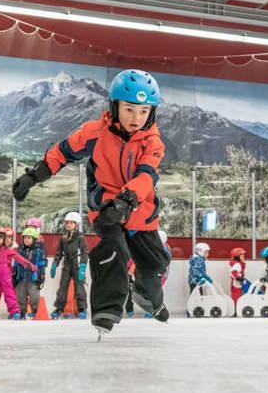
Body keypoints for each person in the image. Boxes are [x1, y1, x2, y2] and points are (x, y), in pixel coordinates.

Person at [11, 69, 170, 339]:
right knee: (114, 250)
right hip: (106, 208)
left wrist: (128, 199)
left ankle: (145, 292)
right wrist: (33, 176)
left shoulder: (153, 142)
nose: (136, 118)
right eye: (130, 109)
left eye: (144, 111)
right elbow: (61, 152)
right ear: (115, 106)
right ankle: (106, 310)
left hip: (139, 211)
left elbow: (146, 175)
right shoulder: (94, 133)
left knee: (156, 263)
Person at [0, 227, 36, 321]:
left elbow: (19, 258)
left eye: (0, 238)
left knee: (10, 294)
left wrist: (29, 265)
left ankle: (15, 312)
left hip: (6, 275)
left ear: (3, 239)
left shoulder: (7, 250)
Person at [51, 211, 89, 319]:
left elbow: (84, 252)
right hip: (67, 265)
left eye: (71, 223)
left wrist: (83, 266)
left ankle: (82, 309)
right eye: (67, 222)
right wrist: (55, 264)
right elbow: (59, 253)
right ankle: (58, 309)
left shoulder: (80, 237)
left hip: (77, 265)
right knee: (62, 288)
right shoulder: (63, 238)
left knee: (79, 288)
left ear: (76, 225)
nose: (68, 224)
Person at [13, 226, 47, 318]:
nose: (26, 240)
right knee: (20, 297)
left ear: (34, 239)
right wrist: (14, 275)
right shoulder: (20, 251)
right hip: (21, 278)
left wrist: (42, 277)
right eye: (25, 238)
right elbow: (16, 264)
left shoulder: (39, 252)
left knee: (34, 297)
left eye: (29, 238)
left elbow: (42, 265)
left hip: (33, 278)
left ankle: (35, 312)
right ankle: (21, 313)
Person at [228, 248, 249, 314]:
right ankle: (236, 310)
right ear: (237, 257)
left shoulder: (238, 264)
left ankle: (237, 309)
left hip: (238, 283)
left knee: (239, 296)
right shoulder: (237, 264)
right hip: (236, 284)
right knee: (237, 297)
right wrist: (239, 278)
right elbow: (234, 273)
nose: (244, 257)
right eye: (242, 256)